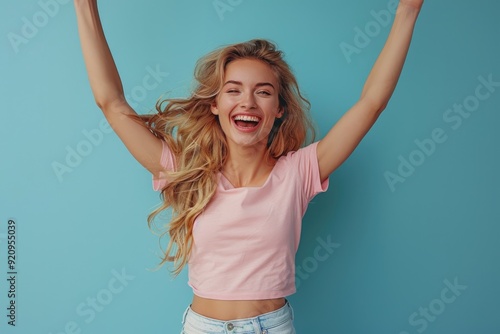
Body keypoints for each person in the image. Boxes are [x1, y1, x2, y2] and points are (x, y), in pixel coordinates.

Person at [74, 0, 423, 333]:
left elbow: (372, 103)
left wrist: (407, 10)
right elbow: (111, 103)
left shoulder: (299, 173)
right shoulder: (187, 171)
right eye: (233, 90)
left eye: (264, 92)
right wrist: (84, 5)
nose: (248, 102)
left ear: (280, 109)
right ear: (215, 105)